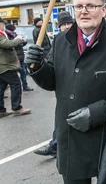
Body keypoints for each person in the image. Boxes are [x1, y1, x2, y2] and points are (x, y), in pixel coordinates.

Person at [25, 0, 106, 183]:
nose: (84, 11)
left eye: (90, 5)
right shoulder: (61, 41)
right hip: (71, 136)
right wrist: (37, 67)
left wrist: (98, 112)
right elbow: (52, 81)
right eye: (79, 6)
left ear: (104, 10)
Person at [34, 11, 75, 158]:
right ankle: (55, 144)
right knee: (62, 119)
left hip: (80, 87)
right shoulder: (58, 40)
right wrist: (37, 66)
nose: (66, 26)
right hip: (64, 89)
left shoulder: (82, 38)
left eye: (69, 23)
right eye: (63, 24)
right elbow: (52, 65)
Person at [0, 17, 31, 119]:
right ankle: (16, 108)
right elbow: (8, 44)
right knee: (15, 84)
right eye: (3, 24)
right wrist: (18, 39)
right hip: (4, 67)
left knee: (0, 89)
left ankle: (0, 111)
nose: (4, 26)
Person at [5, 24, 33, 92]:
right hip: (14, 58)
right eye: (11, 30)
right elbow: (11, 45)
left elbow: (20, 44)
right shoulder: (6, 36)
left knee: (23, 72)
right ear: (8, 30)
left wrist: (24, 41)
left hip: (21, 56)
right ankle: (13, 88)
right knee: (13, 74)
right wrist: (17, 40)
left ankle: (25, 86)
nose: (13, 32)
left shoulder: (15, 35)